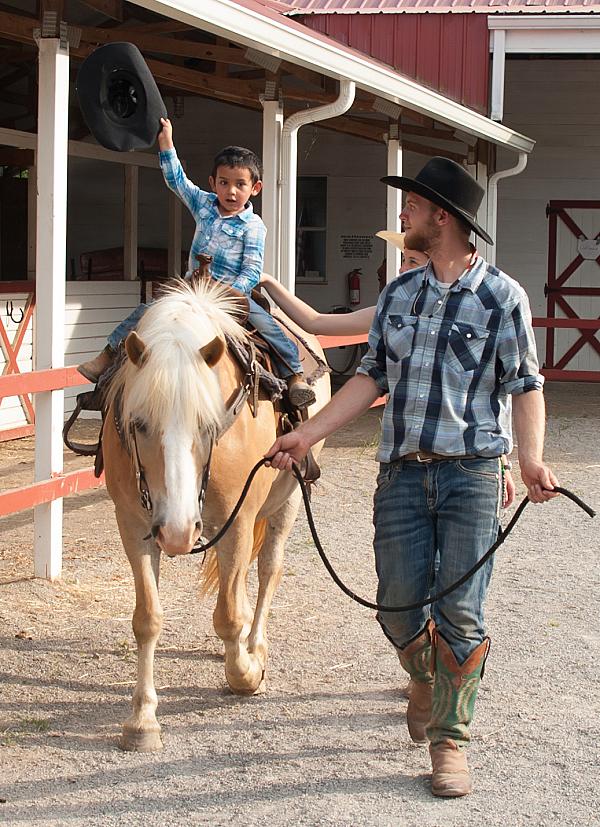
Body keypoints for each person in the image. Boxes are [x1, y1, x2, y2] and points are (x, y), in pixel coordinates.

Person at [265, 157, 557, 798]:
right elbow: (371, 376)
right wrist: (307, 432)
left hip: (473, 475)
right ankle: (422, 671)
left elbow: (525, 385)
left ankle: (450, 741)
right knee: (398, 607)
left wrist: (530, 458)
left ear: (441, 218)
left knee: (460, 609)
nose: (402, 216)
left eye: (412, 207)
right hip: (400, 474)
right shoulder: (400, 293)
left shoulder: (502, 297)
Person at [78, 118, 316, 408]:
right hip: (191, 288)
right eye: (224, 183)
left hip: (231, 295)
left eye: (240, 184)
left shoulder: (253, 226)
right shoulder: (204, 205)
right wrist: (166, 142)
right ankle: (108, 357)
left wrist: (230, 291)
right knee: (146, 311)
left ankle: (295, 375)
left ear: (255, 188)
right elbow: (176, 181)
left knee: (266, 325)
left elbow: (252, 270)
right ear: (213, 183)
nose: (231, 191)